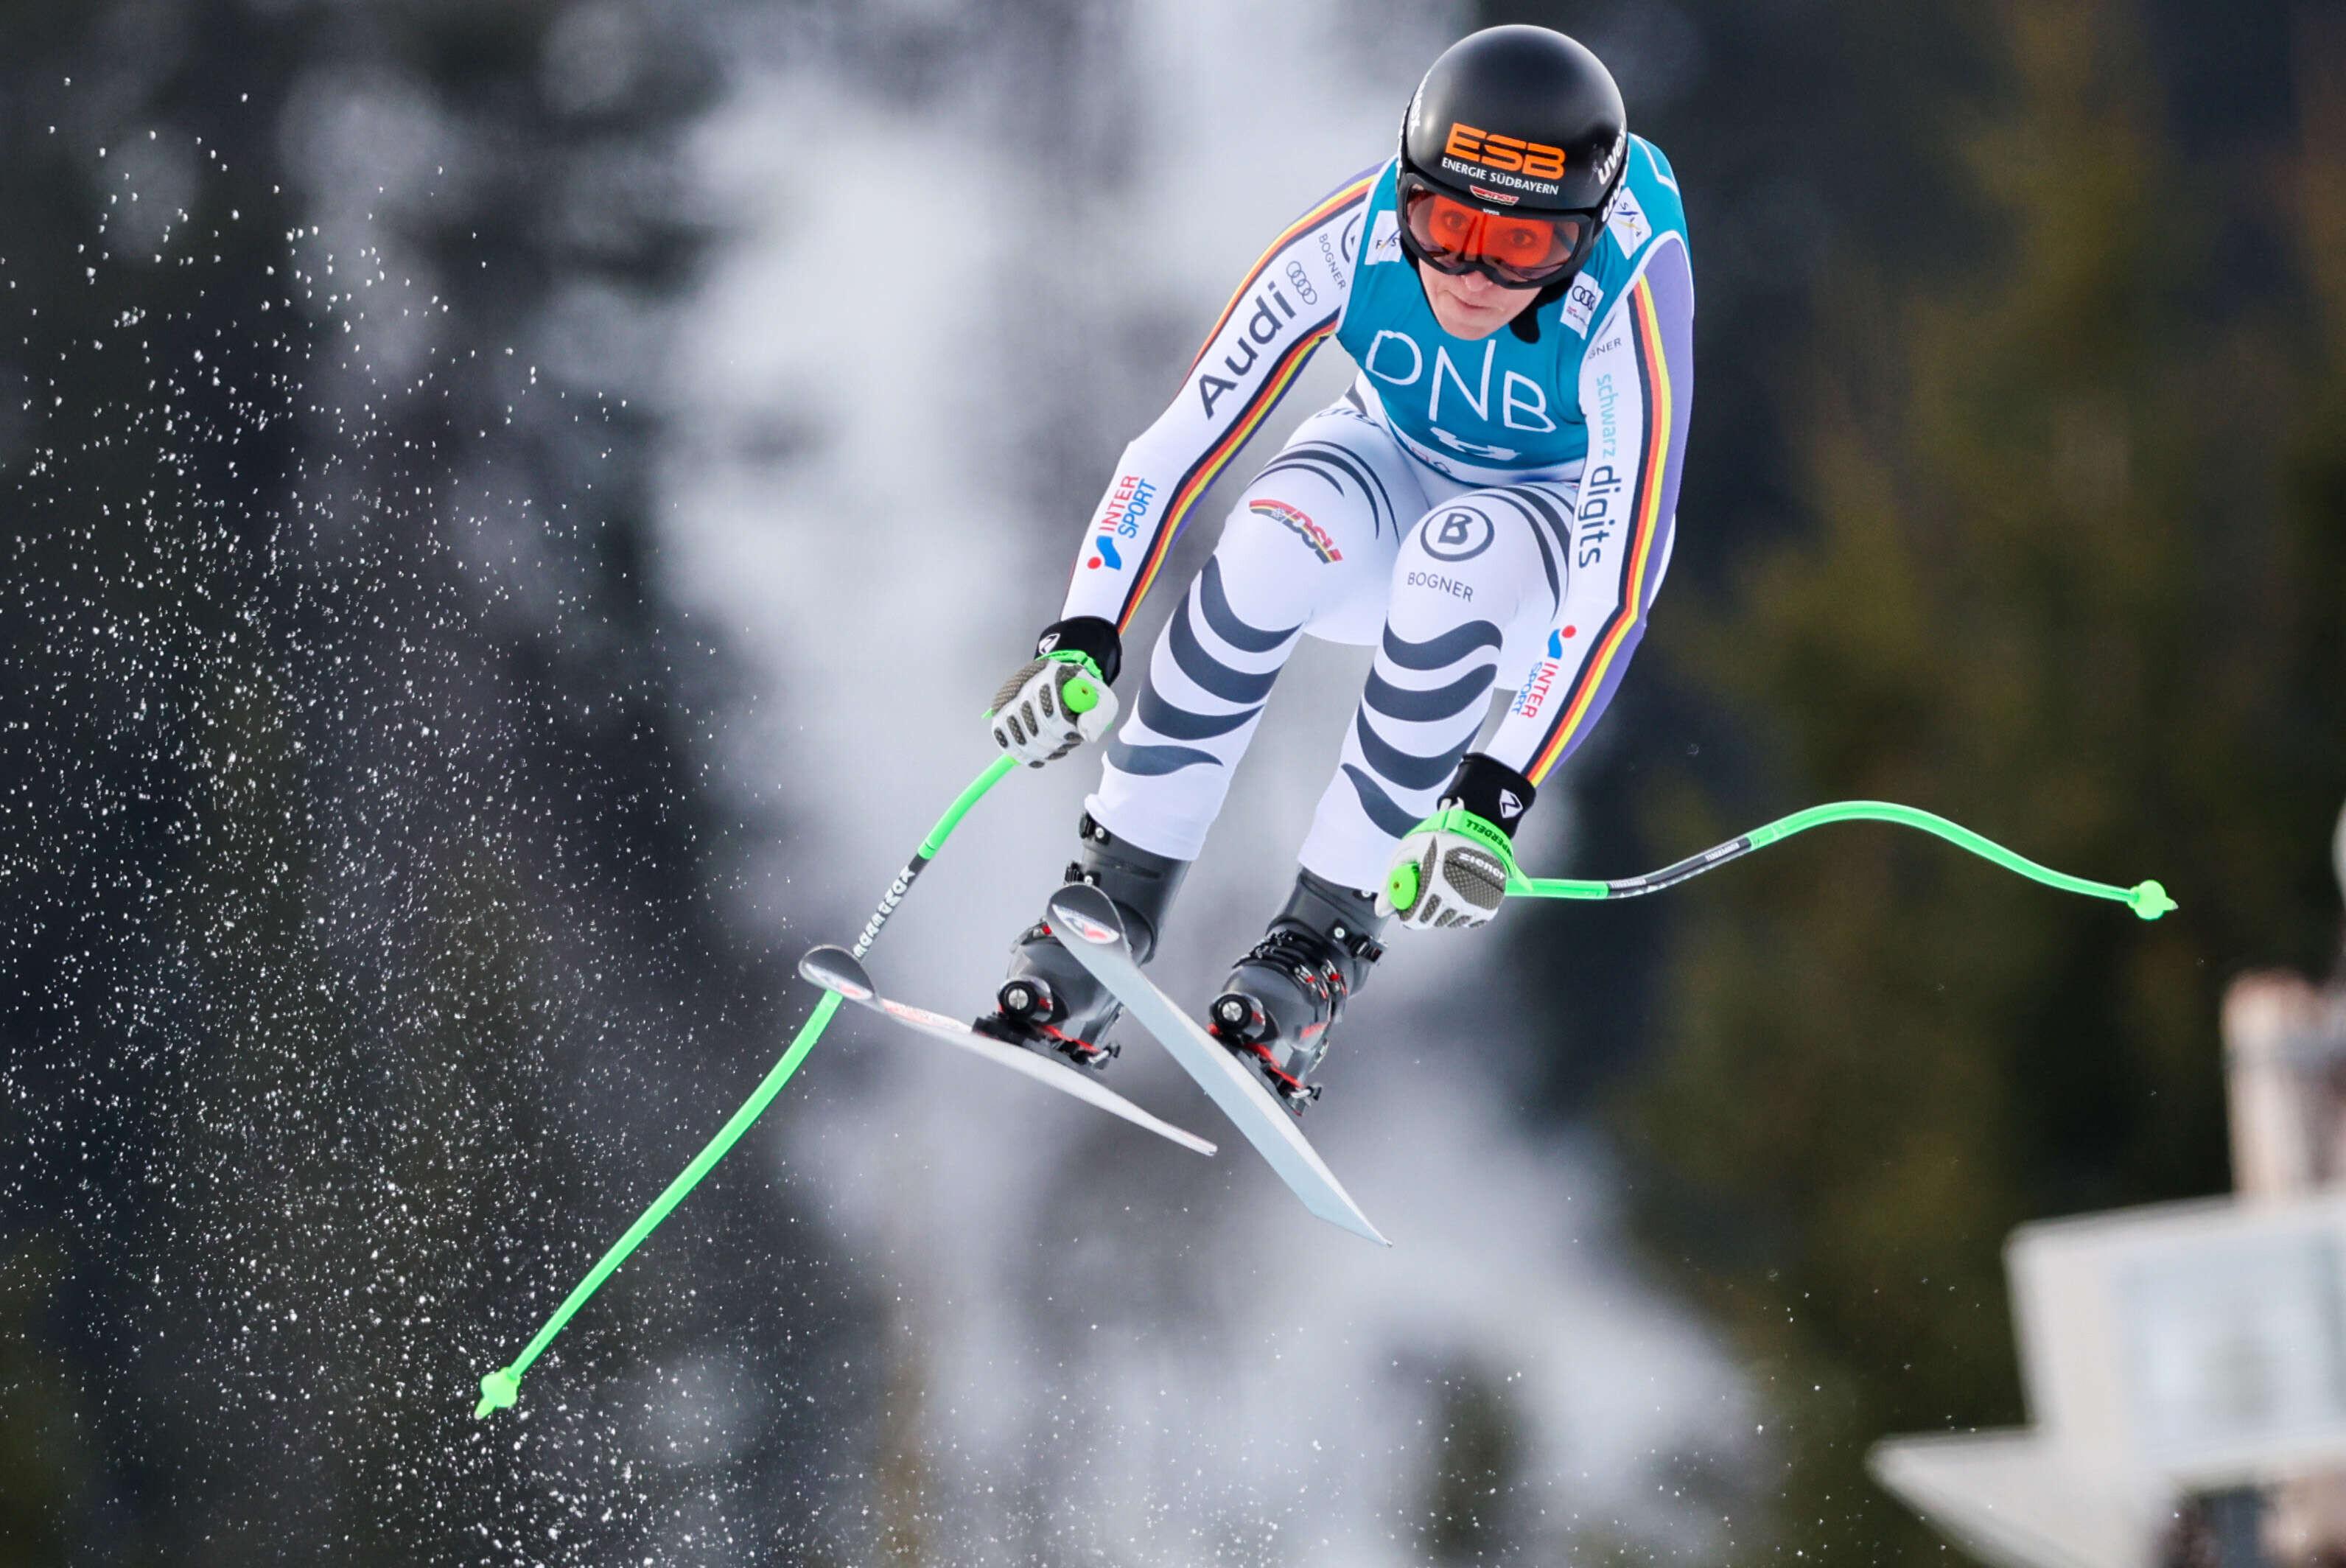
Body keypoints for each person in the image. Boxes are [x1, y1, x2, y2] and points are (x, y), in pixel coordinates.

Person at [977, 24, 1694, 1105]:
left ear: (1582, 237)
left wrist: (1493, 798)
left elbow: (1617, 585)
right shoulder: (1352, 240)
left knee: (1461, 561)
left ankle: (1318, 952)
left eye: (1522, 249)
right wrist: (1079, 637)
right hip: (1392, 461)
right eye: (1446, 227)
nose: (1472, 275)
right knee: (1274, 532)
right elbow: (1177, 446)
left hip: (1549, 531)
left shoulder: (1631, 287)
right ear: (1407, 192)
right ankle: (1105, 907)